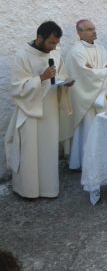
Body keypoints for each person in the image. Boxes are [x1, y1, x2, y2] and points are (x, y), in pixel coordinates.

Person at [5, 21, 73, 198]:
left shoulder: (55, 53)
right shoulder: (23, 56)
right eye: (51, 43)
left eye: (56, 43)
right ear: (39, 37)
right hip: (30, 112)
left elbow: (61, 74)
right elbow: (16, 88)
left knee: (48, 150)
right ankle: (28, 190)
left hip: (49, 110)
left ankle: (48, 189)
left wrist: (66, 83)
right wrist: (41, 78)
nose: (53, 47)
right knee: (30, 152)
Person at [65, 19, 107, 170]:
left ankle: (99, 162)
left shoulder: (100, 48)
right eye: (89, 29)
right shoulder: (76, 51)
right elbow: (85, 75)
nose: (94, 31)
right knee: (87, 131)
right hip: (86, 100)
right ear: (80, 32)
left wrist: (97, 71)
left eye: (94, 28)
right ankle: (85, 164)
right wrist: (104, 70)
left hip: (101, 96)